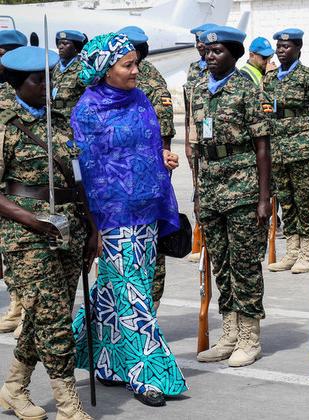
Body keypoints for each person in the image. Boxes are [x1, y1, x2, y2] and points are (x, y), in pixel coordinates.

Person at [70, 32, 186, 407]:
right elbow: (85, 172)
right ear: (106, 70)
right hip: (111, 217)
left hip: (146, 212)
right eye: (128, 65)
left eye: (136, 63)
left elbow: (146, 146)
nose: (137, 70)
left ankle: (106, 362)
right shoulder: (87, 112)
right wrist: (92, 226)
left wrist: (163, 157)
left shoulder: (140, 100)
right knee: (132, 294)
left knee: (115, 291)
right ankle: (148, 374)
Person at [0, 45, 96, 420]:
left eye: (48, 79)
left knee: (45, 315)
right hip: (26, 237)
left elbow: (78, 177)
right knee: (54, 320)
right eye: (37, 80)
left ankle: (13, 388)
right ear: (17, 84)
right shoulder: (6, 125)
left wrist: (92, 228)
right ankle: (69, 406)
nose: (46, 86)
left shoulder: (60, 120)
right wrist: (31, 220)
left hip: (68, 229)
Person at [192, 26, 272, 367]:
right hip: (211, 188)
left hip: (243, 188)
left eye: (218, 51)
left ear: (235, 54)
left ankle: (249, 337)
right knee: (221, 265)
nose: (210, 56)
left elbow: (263, 147)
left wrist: (264, 198)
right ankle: (229, 332)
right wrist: (198, 192)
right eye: (208, 51)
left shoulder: (247, 90)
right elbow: (198, 147)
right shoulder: (198, 90)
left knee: (245, 264)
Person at [118, 25, 176, 311]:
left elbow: (163, 138)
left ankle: (149, 307)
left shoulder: (151, 83)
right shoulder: (108, 82)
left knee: (149, 245)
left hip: (146, 179)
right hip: (116, 181)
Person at [264, 28, 309, 274]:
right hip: (276, 149)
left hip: (301, 149)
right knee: (286, 202)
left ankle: (307, 253)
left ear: (298, 48)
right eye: (279, 46)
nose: (281, 50)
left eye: (286, 46)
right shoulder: (269, 78)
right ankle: (292, 250)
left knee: (303, 200)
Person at [0, 29, 28, 336]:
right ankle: (16, 305)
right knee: (7, 251)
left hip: (18, 186)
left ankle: (26, 313)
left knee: (22, 254)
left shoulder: (16, 93)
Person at [185, 23, 216, 263]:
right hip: (196, 136)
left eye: (203, 41)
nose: (199, 45)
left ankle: (210, 239)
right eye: (197, 41)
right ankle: (200, 236)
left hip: (214, 139)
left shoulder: (220, 67)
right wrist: (188, 138)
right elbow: (189, 107)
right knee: (198, 188)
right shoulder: (194, 69)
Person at [52, 30, 87, 118]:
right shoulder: (55, 67)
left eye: (65, 44)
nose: (60, 47)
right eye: (59, 44)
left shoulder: (83, 69)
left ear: (76, 47)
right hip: (53, 115)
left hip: (71, 117)